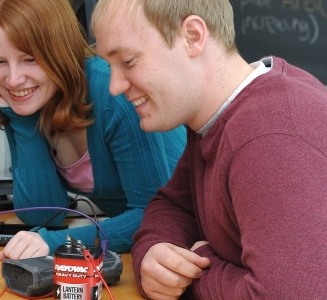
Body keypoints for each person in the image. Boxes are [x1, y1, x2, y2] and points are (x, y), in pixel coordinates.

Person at [91, 0, 327, 298]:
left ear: (192, 36)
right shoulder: (212, 119)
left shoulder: (272, 136)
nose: (114, 86)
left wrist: (198, 273)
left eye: (127, 61)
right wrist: (156, 254)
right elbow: (174, 205)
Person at [0, 0, 186, 260]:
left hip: (185, 243)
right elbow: (43, 214)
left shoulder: (113, 95)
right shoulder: (32, 102)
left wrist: (59, 242)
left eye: (29, 59)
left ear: (59, 52)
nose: (13, 79)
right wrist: (21, 121)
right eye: (0, 61)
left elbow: (154, 216)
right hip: (138, 250)